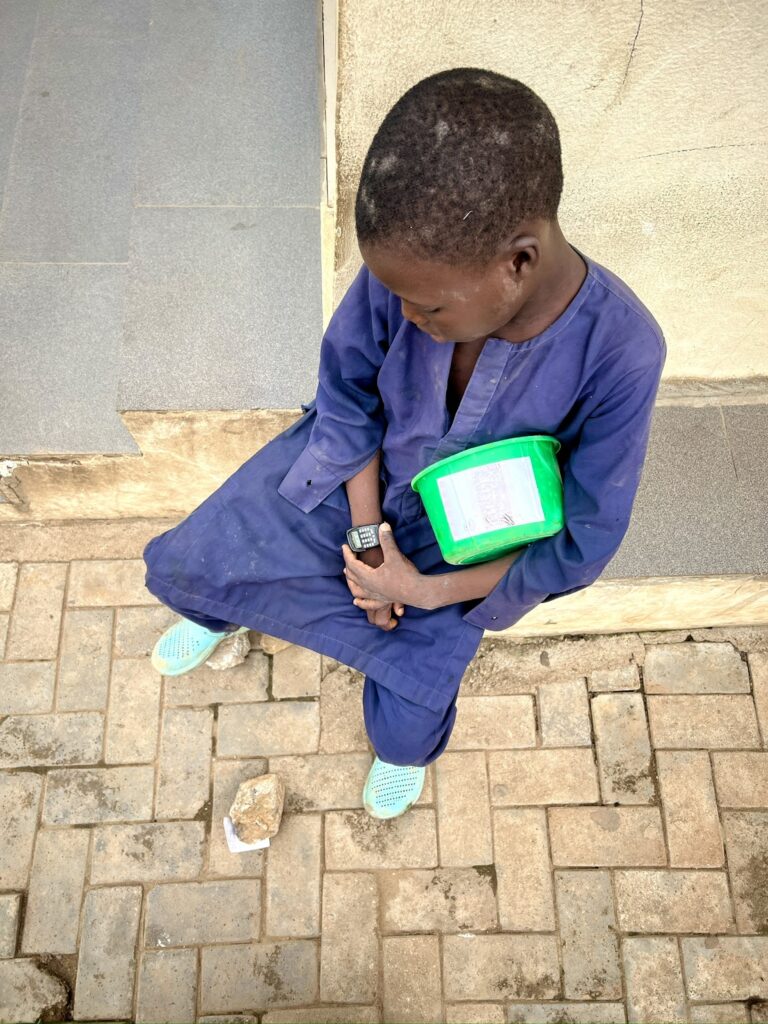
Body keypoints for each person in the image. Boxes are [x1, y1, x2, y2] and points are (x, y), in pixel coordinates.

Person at [143, 68, 666, 819]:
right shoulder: (412, 270)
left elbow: (583, 542)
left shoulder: (622, 352)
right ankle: (219, 609)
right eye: (399, 298)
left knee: (414, 700)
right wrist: (366, 539)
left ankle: (399, 750)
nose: (408, 315)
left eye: (426, 307)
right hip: (353, 479)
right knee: (222, 552)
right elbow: (346, 392)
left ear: (517, 261)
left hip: (461, 559)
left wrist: (419, 590)